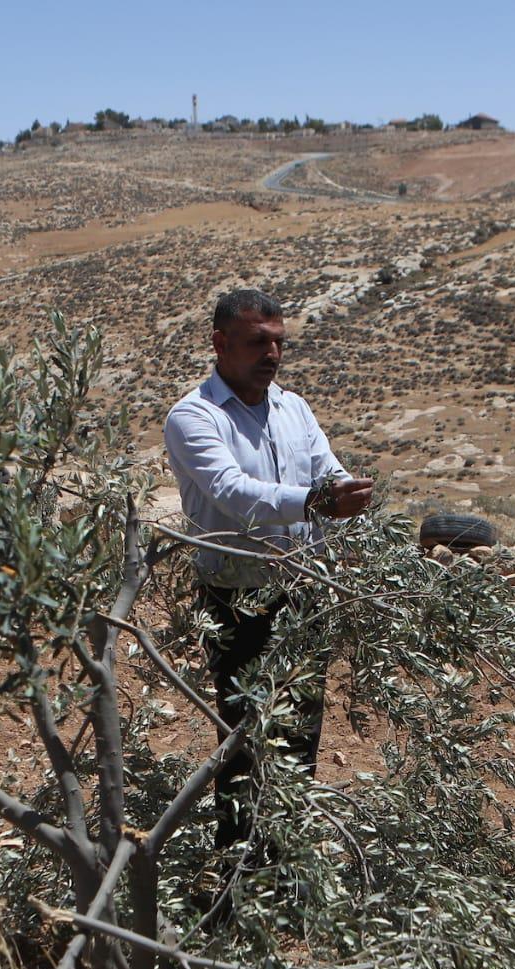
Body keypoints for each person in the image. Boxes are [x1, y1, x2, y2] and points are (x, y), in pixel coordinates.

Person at [162, 288, 373, 870]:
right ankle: (238, 880)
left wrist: (344, 489)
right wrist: (316, 500)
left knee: (300, 735)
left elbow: (325, 469)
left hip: (302, 593)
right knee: (243, 742)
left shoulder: (294, 408)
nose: (273, 354)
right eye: (259, 342)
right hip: (235, 601)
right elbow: (232, 494)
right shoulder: (194, 417)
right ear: (221, 344)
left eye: (279, 342)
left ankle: (286, 865)